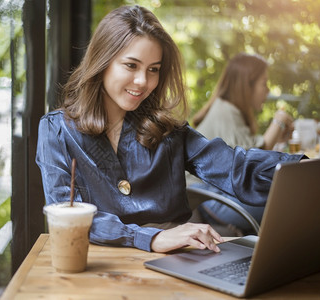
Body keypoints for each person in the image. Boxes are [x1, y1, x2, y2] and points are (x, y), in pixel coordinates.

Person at [36, 5, 304, 253]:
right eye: (131, 65)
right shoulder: (57, 130)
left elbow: (235, 167)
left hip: (174, 264)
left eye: (153, 69)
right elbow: (67, 214)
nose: (143, 81)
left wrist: (305, 170)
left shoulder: (166, 130)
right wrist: (150, 237)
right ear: (103, 62)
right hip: (97, 266)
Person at [190, 53, 295, 234]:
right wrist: (279, 120)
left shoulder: (229, 111)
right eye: (264, 83)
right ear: (247, 85)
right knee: (287, 202)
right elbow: (253, 161)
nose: (268, 90)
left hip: (217, 193)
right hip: (207, 197)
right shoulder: (225, 111)